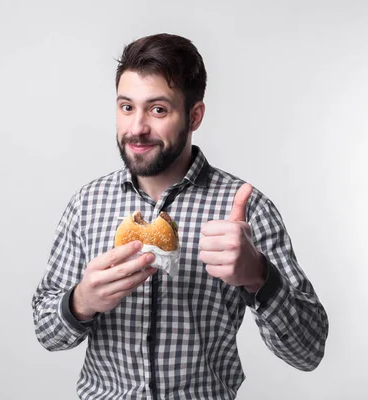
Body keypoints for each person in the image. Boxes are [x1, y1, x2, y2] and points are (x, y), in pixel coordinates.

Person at [32, 33, 328, 399]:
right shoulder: (87, 204)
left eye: (158, 110)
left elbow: (308, 353)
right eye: (127, 107)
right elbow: (46, 331)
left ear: (195, 115)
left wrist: (259, 277)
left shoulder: (247, 210)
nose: (137, 127)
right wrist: (81, 302)